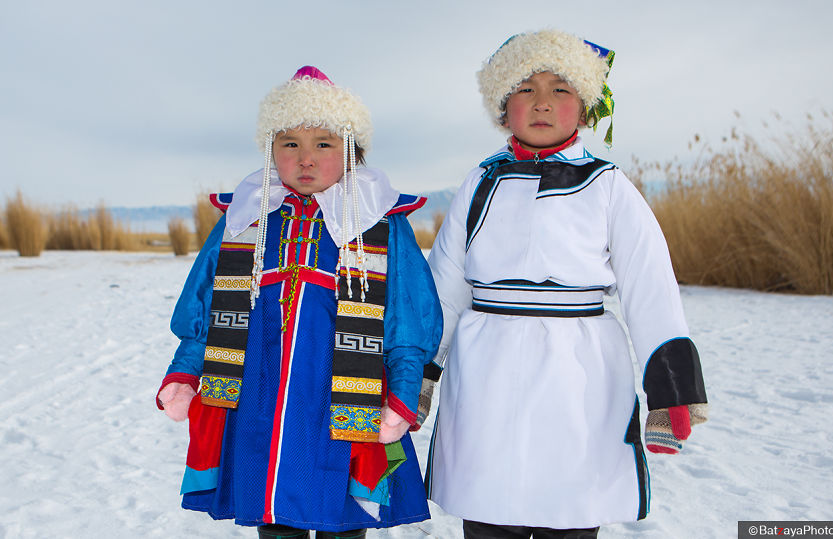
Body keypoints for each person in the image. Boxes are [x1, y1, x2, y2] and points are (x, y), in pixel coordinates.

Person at [422, 30, 709, 538]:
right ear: (502, 105)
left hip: (578, 369)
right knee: (490, 506)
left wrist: (670, 388)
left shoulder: (608, 185)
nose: (542, 103)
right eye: (525, 89)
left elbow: (650, 283)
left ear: (584, 106)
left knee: (572, 507)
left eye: (560, 89)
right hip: (488, 366)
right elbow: (445, 285)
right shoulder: (479, 182)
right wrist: (421, 370)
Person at [155, 66, 442, 539]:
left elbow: (410, 321)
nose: (305, 158)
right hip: (259, 402)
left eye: (323, 144)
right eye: (290, 143)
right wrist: (185, 370)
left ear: (351, 152)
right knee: (273, 515)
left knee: (342, 515)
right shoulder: (246, 221)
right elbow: (204, 309)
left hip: (344, 404)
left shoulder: (381, 226)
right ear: (271, 151)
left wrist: (404, 390)